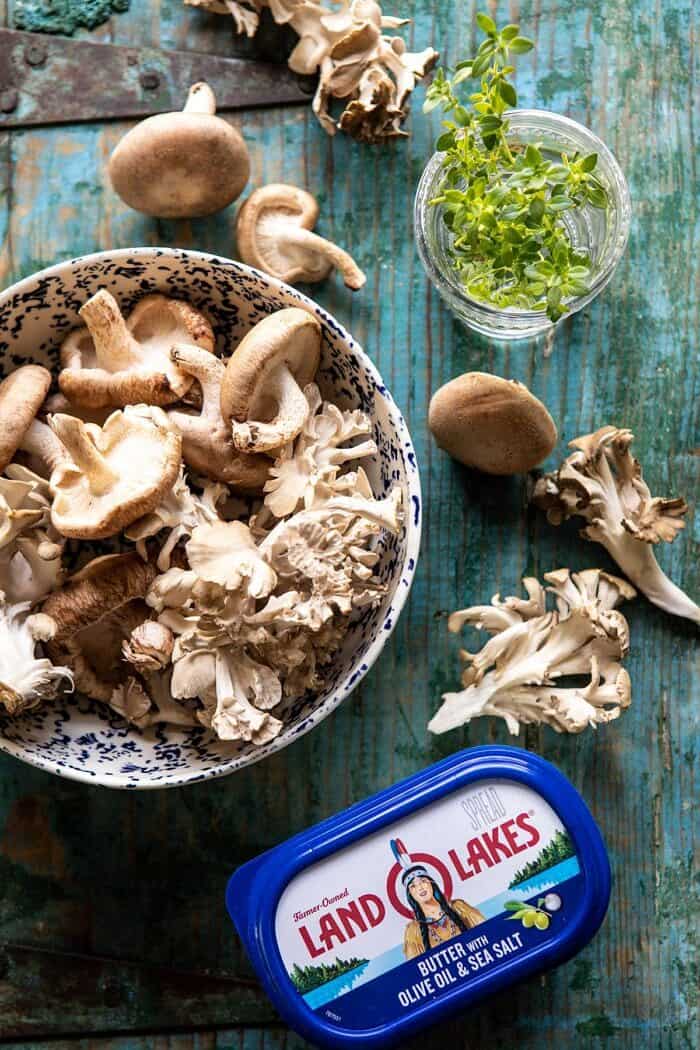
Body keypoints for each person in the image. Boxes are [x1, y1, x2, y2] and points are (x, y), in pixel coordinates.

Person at [401, 865, 485, 960]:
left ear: (431, 884)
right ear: (410, 895)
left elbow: (487, 932)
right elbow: (415, 967)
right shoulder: (413, 931)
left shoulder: (459, 907)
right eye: (413, 886)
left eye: (423, 881)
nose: (420, 887)